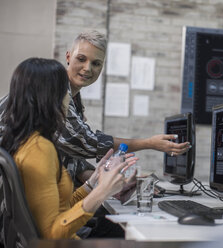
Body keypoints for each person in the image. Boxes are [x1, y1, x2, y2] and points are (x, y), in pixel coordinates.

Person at [0, 30, 190, 187]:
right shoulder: (53, 90)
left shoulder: (73, 99)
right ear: (68, 56)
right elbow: (85, 142)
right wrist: (150, 143)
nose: (87, 68)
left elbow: (67, 150)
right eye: (81, 59)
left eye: (96, 63)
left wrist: (105, 179)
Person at [0, 57, 139, 239]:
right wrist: (102, 191)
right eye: (64, 92)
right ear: (50, 98)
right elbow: (52, 233)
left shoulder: (24, 141)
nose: (70, 100)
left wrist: (93, 182)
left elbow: (59, 209)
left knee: (113, 225)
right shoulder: (39, 150)